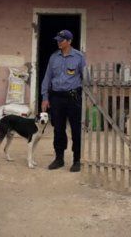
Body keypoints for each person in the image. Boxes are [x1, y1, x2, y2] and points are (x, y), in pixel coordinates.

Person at [41, 29, 86, 172]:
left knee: (76, 129)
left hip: (73, 97)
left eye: (62, 40)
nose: (59, 42)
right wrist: (45, 97)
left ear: (69, 41)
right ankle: (59, 158)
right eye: (58, 40)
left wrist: (87, 99)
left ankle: (77, 160)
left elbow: (87, 79)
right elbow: (47, 78)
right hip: (57, 98)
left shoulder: (79, 57)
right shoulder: (54, 57)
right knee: (58, 128)